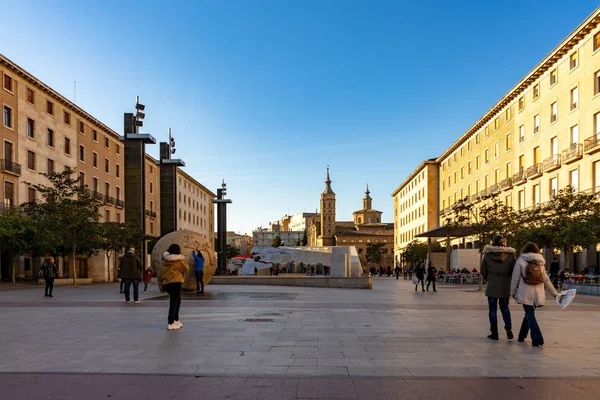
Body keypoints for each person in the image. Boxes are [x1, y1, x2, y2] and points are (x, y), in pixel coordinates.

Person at [511, 242, 560, 347]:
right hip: (538, 293)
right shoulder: (540, 262)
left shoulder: (521, 260)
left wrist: (512, 291)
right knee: (529, 313)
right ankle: (521, 336)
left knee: (529, 314)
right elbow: (546, 280)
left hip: (525, 291)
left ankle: (537, 338)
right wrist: (554, 293)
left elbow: (515, 278)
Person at [480, 234, 517, 341]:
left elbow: (483, 270)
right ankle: (508, 329)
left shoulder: (487, 254)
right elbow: (514, 270)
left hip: (492, 285)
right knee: (505, 308)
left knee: (492, 310)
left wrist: (489, 278)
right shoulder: (511, 255)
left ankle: (494, 333)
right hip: (505, 285)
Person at [158, 244, 190, 331]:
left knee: (177, 300)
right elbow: (186, 269)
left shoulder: (164, 261)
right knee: (174, 302)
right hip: (175, 282)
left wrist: (160, 286)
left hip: (166, 283)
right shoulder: (179, 261)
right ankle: (171, 322)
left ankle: (176, 320)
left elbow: (159, 274)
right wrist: (183, 259)